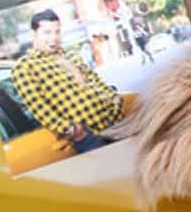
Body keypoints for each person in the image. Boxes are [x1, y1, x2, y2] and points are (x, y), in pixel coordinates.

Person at [11, 9, 124, 154]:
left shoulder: (71, 55)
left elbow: (96, 80)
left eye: (57, 32)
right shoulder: (25, 66)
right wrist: (72, 130)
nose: (54, 37)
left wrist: (114, 98)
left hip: (113, 122)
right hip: (89, 136)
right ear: (33, 34)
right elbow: (39, 107)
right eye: (47, 32)